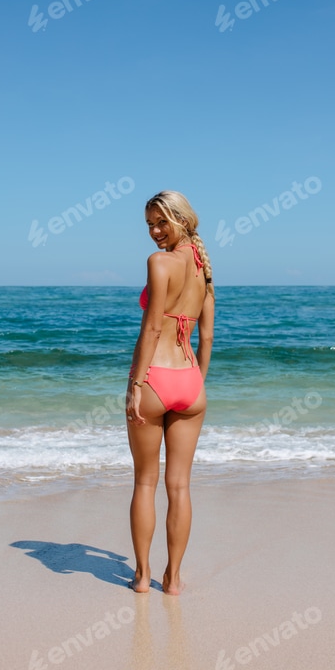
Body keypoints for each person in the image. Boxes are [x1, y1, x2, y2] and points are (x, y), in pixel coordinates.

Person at [126, 191, 215, 595]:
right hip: (190, 383)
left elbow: (153, 328)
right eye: (149, 225)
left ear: (182, 220)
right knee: (179, 486)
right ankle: (173, 580)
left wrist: (135, 384)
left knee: (146, 482)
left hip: (155, 380)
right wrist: (197, 380)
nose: (154, 233)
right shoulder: (203, 270)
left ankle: (143, 577)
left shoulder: (159, 263)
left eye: (161, 222)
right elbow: (207, 334)